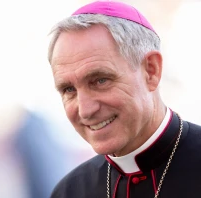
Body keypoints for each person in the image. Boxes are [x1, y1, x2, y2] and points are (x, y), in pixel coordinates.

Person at [47, 1, 201, 198]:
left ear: (151, 71)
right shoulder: (69, 192)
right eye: (69, 89)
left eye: (100, 80)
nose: (85, 110)